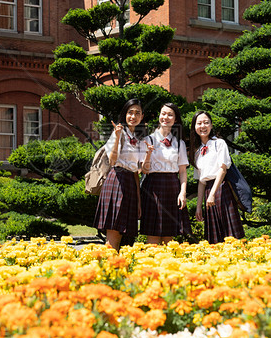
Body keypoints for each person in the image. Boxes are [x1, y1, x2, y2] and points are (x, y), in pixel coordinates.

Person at [94, 99, 152, 250]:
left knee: (127, 234)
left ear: (142, 116)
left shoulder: (139, 140)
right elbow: (112, 161)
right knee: (114, 233)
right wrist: (118, 137)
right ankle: (107, 270)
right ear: (125, 115)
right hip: (116, 180)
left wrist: (149, 153)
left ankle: (120, 270)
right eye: (130, 112)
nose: (133, 116)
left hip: (131, 183)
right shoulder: (118, 133)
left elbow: (140, 171)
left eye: (137, 113)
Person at [190, 110, 244, 243]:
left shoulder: (219, 143)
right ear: (194, 127)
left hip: (221, 188)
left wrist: (213, 193)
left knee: (230, 234)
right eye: (199, 123)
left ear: (211, 125)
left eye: (206, 123)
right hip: (208, 191)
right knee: (214, 237)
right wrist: (198, 206)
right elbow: (201, 181)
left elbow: (223, 169)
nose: (203, 126)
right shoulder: (197, 152)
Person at [140, 103, 189, 244]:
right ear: (159, 116)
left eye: (170, 115)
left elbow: (183, 171)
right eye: (163, 113)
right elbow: (144, 170)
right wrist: (148, 153)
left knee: (169, 235)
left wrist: (183, 192)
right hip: (153, 186)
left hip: (172, 188)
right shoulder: (148, 140)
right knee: (153, 233)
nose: (166, 117)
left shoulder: (179, 143)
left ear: (175, 120)